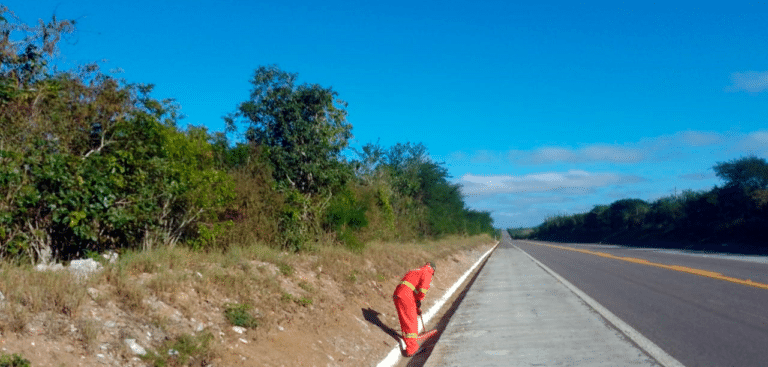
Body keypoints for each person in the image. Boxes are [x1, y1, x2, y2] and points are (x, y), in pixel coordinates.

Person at [392, 261, 436, 357]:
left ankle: (408, 340)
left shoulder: (416, 270)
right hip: (406, 295)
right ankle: (412, 349)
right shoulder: (427, 272)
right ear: (433, 270)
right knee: (411, 322)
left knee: (405, 319)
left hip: (398, 294)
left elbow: (412, 287)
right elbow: (422, 290)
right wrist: (419, 300)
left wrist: (416, 306)